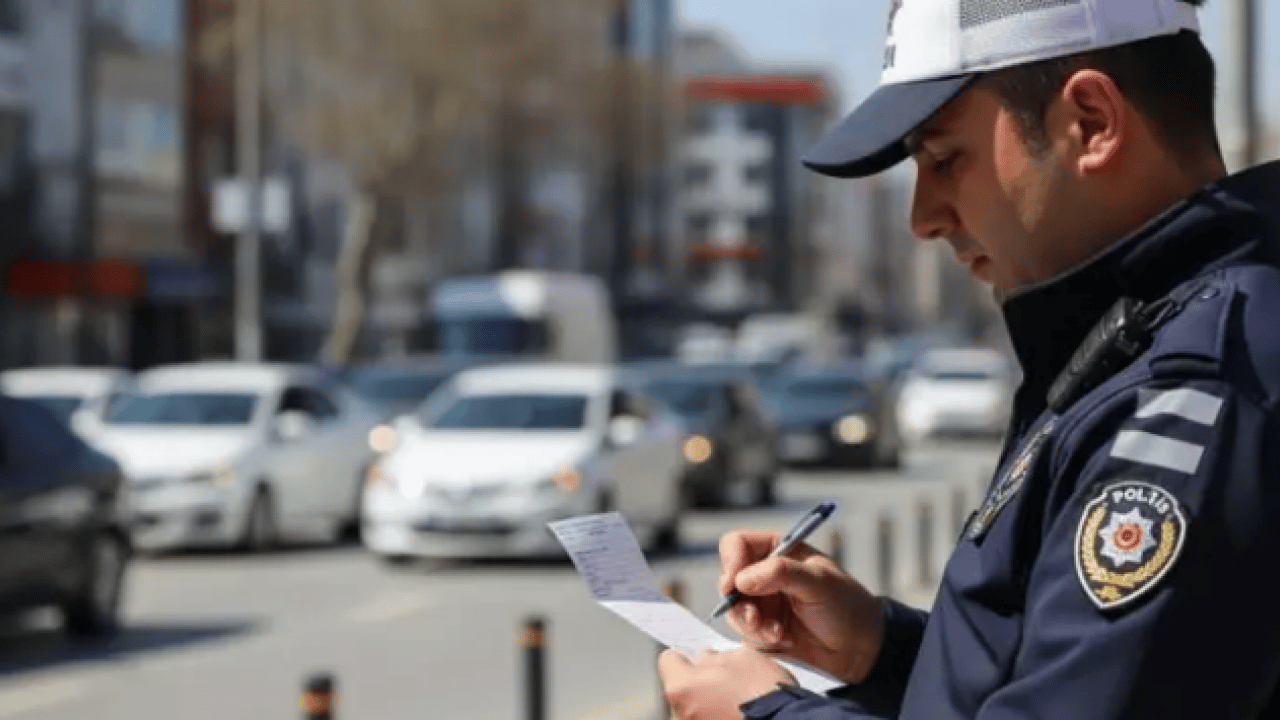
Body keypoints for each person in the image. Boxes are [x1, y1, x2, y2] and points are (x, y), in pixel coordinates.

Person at [657, 0, 1280, 717]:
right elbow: (1074, 677)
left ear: (1092, 123)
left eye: (945, 158)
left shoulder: (1199, 389)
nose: (923, 217)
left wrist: (764, 714)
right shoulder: (1148, 335)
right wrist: (880, 649)